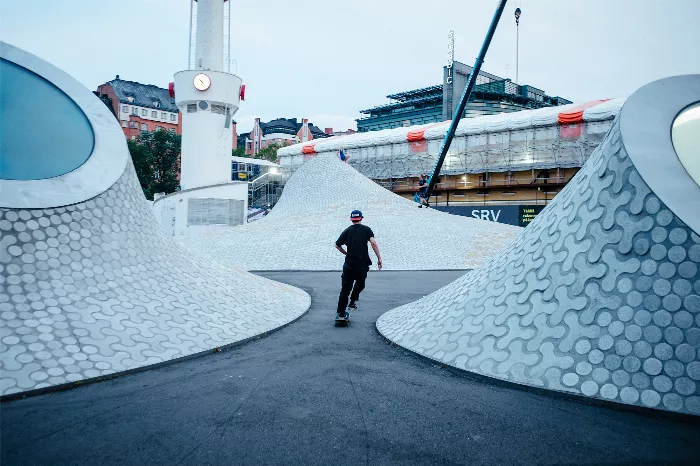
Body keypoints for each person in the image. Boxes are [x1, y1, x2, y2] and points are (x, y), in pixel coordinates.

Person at [334, 210, 382, 321]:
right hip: (362, 265)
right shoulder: (366, 229)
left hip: (349, 265)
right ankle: (352, 302)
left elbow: (337, 245)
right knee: (360, 284)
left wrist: (346, 253)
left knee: (345, 290)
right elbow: (373, 242)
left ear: (352, 219)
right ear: (361, 218)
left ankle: (340, 315)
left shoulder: (347, 231)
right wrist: (379, 258)